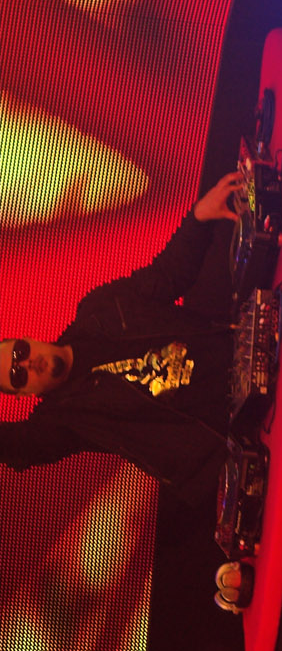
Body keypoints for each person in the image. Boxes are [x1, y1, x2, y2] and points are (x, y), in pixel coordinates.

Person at [0, 172, 244, 509]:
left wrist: (198, 218)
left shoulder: (98, 310)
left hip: (241, 357)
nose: (27, 363)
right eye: (17, 375)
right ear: (24, 394)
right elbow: (17, 447)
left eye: (20, 352)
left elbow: (167, 277)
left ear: (28, 339)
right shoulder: (64, 420)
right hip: (232, 440)